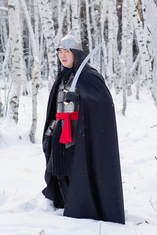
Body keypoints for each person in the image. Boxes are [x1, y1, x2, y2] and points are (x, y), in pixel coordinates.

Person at [41, 31, 125, 224]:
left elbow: (103, 104)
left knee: (76, 170)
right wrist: (50, 131)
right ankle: (65, 202)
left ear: (76, 54)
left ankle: (80, 209)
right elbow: (56, 108)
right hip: (60, 130)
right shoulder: (63, 77)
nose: (62, 55)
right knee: (58, 168)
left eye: (67, 52)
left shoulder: (89, 76)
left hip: (80, 134)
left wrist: (80, 98)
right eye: (60, 51)